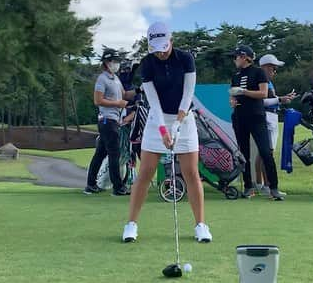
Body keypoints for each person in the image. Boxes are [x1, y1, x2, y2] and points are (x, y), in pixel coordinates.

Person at [122, 22, 212, 243]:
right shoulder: (147, 64)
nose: (161, 53)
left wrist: (178, 125)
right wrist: (164, 129)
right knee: (146, 172)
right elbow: (153, 101)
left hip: (185, 119)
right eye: (156, 48)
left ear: (171, 41)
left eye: (164, 47)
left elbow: (188, 94)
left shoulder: (185, 59)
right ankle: (131, 224)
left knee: (191, 172)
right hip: (157, 120)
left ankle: (201, 225)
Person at [229, 46, 284, 201]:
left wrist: (243, 92)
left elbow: (263, 93)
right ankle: (248, 187)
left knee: (266, 152)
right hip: (240, 118)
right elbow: (233, 95)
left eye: (236, 57)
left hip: (257, 117)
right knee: (244, 154)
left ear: (245, 57)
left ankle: (274, 188)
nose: (234, 60)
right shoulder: (235, 76)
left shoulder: (258, 72)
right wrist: (233, 101)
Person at [84, 48, 137, 196]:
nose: (117, 64)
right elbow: (97, 100)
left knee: (100, 153)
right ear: (107, 63)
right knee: (114, 154)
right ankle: (118, 188)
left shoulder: (116, 79)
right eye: (114, 61)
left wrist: (139, 90)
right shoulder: (102, 79)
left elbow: (126, 94)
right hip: (108, 120)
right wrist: (118, 103)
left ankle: (90, 185)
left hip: (113, 120)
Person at [252, 54, 297, 196]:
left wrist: (282, 99)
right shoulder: (261, 81)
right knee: (267, 153)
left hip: (270, 116)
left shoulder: (266, 82)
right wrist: (281, 99)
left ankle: (261, 184)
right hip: (267, 117)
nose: (274, 72)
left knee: (263, 152)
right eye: (273, 68)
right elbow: (262, 101)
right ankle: (267, 185)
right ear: (265, 67)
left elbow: (271, 99)